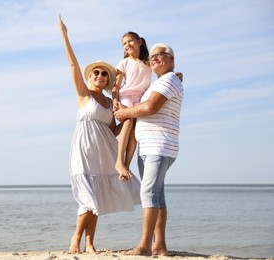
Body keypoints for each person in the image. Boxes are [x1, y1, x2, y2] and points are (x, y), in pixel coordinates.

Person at [58, 15, 141, 254]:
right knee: (88, 199)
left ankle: (90, 243)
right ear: (90, 76)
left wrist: (128, 119)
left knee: (97, 200)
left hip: (103, 153)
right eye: (96, 73)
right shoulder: (84, 96)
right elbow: (73, 65)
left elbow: (113, 130)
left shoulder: (109, 102)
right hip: (83, 151)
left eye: (104, 74)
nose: (99, 77)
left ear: (107, 79)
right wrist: (65, 35)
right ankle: (76, 238)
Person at [114, 43, 183, 256]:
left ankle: (144, 246)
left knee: (148, 193)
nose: (154, 59)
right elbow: (144, 107)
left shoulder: (170, 79)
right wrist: (126, 110)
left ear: (171, 60)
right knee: (157, 196)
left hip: (159, 146)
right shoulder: (161, 82)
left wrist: (125, 114)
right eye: (152, 56)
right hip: (149, 147)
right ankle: (159, 246)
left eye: (160, 55)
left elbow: (150, 107)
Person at [112, 32, 152, 180]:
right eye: (124, 43)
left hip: (140, 100)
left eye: (130, 41)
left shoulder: (148, 62)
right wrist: (115, 100)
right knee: (127, 122)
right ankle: (119, 162)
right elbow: (115, 87)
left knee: (135, 131)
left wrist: (175, 74)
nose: (127, 45)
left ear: (140, 42)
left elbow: (162, 71)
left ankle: (126, 166)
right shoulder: (124, 63)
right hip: (126, 96)